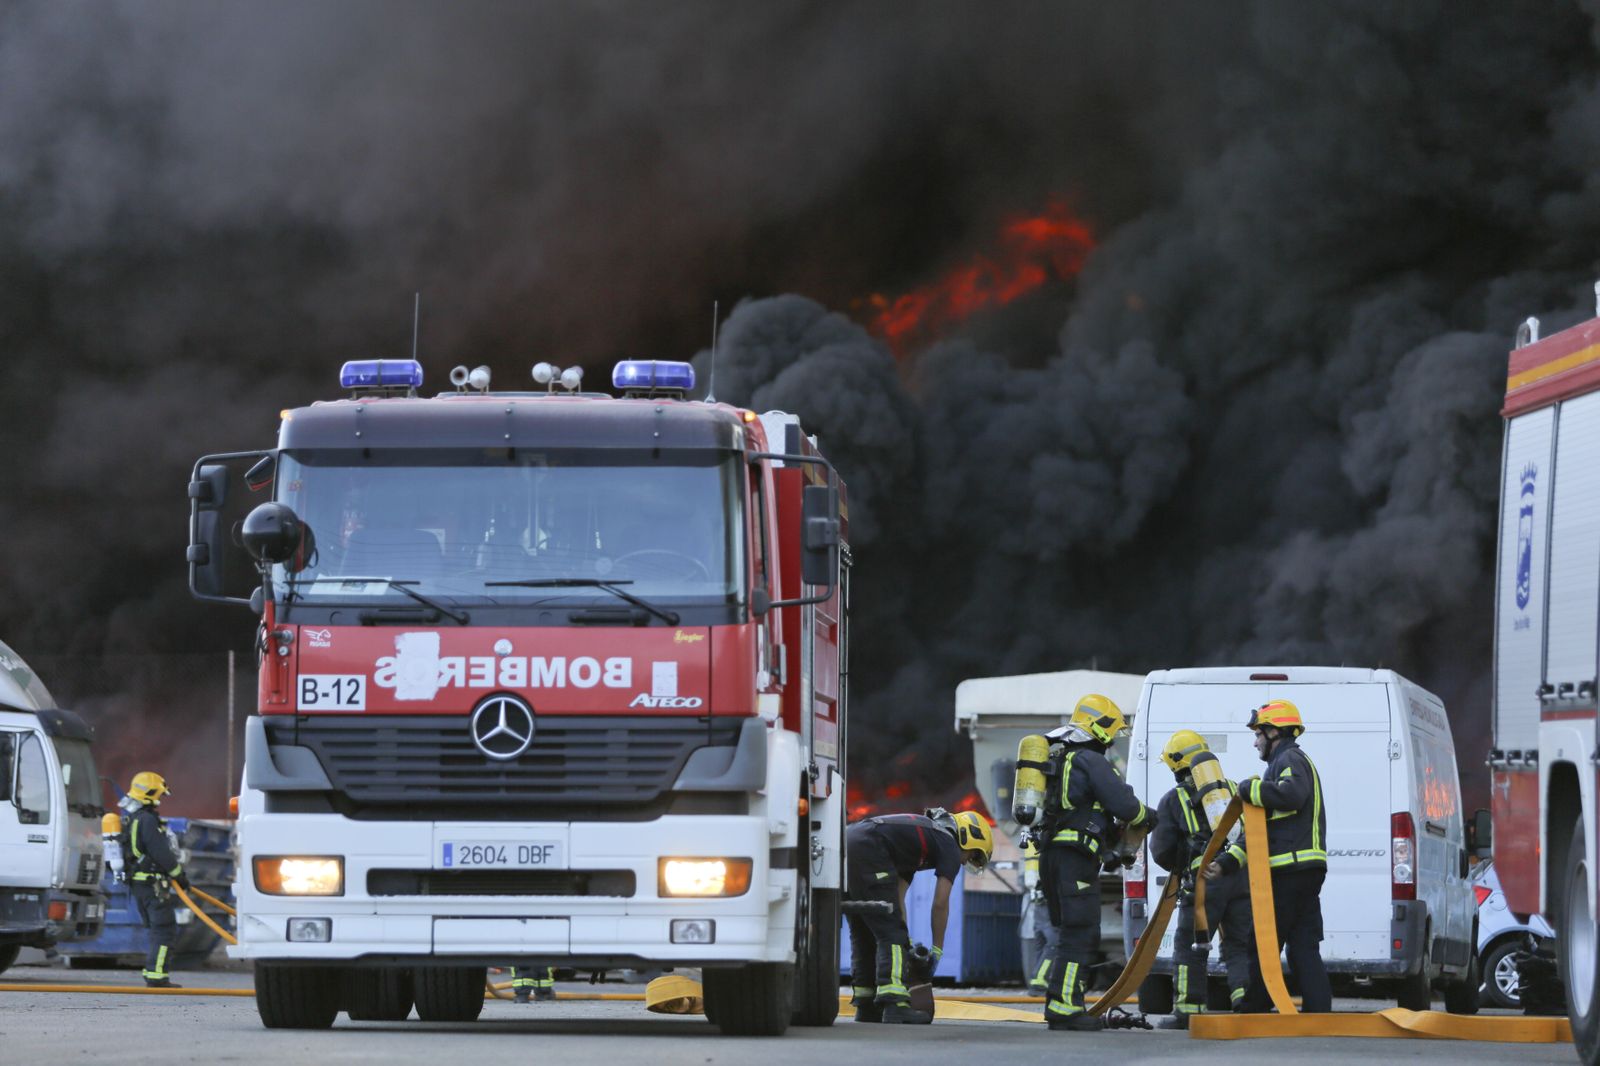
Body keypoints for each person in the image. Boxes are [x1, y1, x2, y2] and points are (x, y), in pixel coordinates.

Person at [1038, 694, 1151, 1032]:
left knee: (1068, 932)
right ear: (1100, 729)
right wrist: (1149, 817)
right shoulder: (1090, 760)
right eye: (1112, 733)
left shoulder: (1060, 760)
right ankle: (1065, 1009)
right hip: (1075, 860)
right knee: (1081, 932)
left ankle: (1061, 1003)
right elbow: (1127, 806)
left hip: (1053, 858)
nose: (1113, 740)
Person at [1210, 699, 1332, 1014]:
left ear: (1274, 732)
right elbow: (1258, 830)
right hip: (1304, 869)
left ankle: (1255, 1006)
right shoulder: (1282, 764)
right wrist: (1225, 864)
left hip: (1291, 869)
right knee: (1303, 945)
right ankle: (1319, 1012)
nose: (1255, 742)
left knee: (1262, 940)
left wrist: (1250, 789)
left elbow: (1292, 795)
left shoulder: (1290, 759)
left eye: (1258, 734)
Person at [844, 808, 993, 1025]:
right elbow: (940, 904)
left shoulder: (917, 842)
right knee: (890, 933)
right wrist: (937, 952)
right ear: (968, 836)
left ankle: (866, 1004)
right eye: (972, 856)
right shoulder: (949, 844)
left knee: (866, 929)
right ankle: (895, 1003)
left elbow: (898, 896)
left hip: (850, 841)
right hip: (870, 846)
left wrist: (908, 944)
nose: (964, 862)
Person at [1149, 730, 1252, 1028]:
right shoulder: (1233, 789)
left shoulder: (1174, 799)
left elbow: (1161, 850)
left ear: (1176, 765)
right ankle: (1245, 1002)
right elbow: (1250, 834)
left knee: (1192, 945)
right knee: (1238, 944)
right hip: (1240, 877)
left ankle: (1188, 1010)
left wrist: (1184, 868)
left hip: (1205, 882)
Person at [123, 771, 190, 988]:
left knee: (157, 929)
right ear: (150, 794)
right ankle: (156, 975)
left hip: (140, 884)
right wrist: (178, 875)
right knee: (164, 929)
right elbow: (161, 852)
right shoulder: (147, 821)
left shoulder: (133, 819)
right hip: (152, 885)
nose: (160, 800)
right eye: (158, 795)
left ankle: (154, 971)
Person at [1018, 837, 1058, 995]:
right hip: (1045, 896)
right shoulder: (1046, 838)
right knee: (1054, 941)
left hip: (1037, 897)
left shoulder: (1031, 837)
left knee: (1041, 941)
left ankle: (1036, 981)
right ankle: (1039, 980)